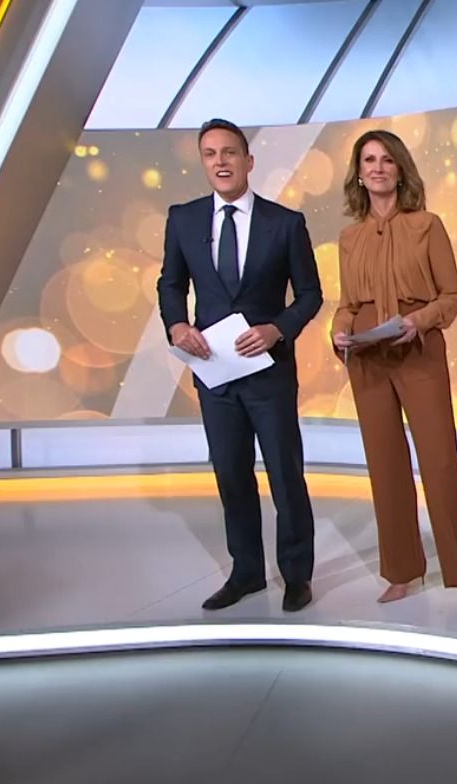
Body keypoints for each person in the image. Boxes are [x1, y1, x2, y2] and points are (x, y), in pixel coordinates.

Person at [331, 130, 457, 620]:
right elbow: (347, 304)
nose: (378, 168)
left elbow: (452, 296)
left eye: (387, 160)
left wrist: (419, 320)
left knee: (441, 463)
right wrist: (339, 330)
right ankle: (402, 571)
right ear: (359, 174)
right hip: (366, 356)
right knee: (385, 466)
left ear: (401, 170)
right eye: (369, 160)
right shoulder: (349, 238)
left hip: (418, 349)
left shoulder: (428, 226)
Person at [158, 118, 322, 613]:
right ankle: (246, 572)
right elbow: (170, 284)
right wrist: (176, 325)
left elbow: (310, 294)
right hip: (215, 375)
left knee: (285, 474)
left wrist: (277, 329)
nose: (220, 162)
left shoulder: (285, 223)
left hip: (269, 373)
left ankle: (296, 575)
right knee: (231, 473)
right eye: (210, 154)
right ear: (203, 163)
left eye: (229, 152)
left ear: (248, 161)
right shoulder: (183, 219)